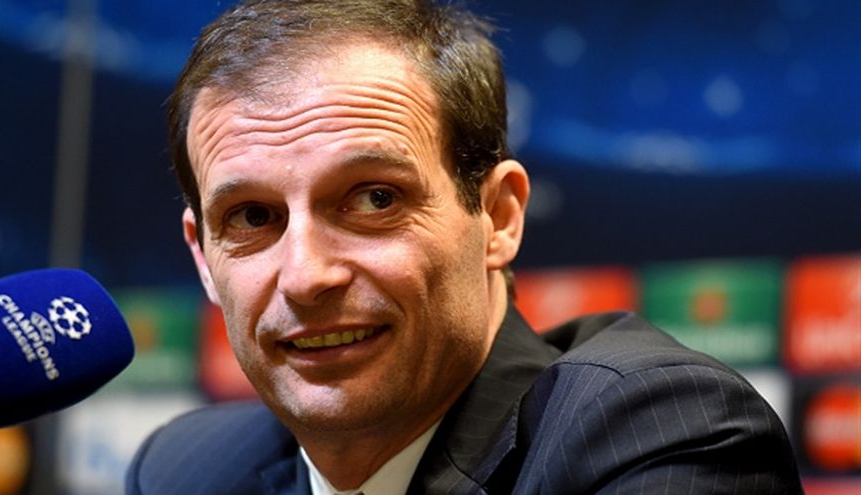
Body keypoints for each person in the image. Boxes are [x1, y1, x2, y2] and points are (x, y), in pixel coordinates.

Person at [126, 0, 803, 493]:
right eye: (251, 216)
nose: (305, 276)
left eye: (374, 199)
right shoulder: (183, 473)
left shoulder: (658, 433)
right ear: (203, 257)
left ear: (499, 217)